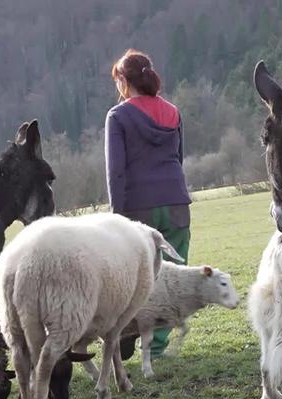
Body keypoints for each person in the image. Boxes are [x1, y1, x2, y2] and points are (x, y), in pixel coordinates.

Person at [105, 49, 191, 362]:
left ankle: (131, 334)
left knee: (137, 279)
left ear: (125, 82)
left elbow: (116, 171)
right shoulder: (173, 112)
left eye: (118, 81)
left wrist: (117, 218)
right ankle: (155, 347)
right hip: (176, 202)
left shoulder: (118, 117)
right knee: (172, 275)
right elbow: (179, 159)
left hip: (137, 209)